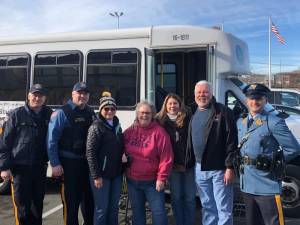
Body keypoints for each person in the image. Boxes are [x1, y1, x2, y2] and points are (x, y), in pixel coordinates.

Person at [237, 83, 300, 225]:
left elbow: (293, 148)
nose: (255, 102)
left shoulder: (274, 122)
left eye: (259, 98)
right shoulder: (241, 122)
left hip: (267, 184)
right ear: (246, 100)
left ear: (265, 100)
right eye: (251, 98)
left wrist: (274, 162)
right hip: (247, 184)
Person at [0, 84, 52, 225]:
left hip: (39, 167)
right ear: (28, 96)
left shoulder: (49, 114)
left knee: (37, 205)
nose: (37, 98)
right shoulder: (16, 114)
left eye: (40, 95)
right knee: (22, 206)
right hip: (20, 168)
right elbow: (5, 142)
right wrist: (4, 167)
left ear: (44, 98)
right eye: (34, 95)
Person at [189, 80, 237, 225]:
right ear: (194, 94)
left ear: (211, 93)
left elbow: (231, 141)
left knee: (223, 208)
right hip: (199, 168)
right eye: (199, 92)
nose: (202, 95)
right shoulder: (192, 111)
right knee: (207, 206)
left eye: (205, 92)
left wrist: (229, 167)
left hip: (219, 169)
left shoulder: (222, 111)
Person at [47, 82, 95, 225]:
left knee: (89, 202)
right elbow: (51, 140)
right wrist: (55, 164)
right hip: (69, 164)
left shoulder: (90, 113)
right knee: (71, 204)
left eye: (85, 93)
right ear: (73, 94)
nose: (82, 96)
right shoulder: (62, 113)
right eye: (79, 93)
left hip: (86, 164)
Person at [124, 100, 173, 225]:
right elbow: (119, 145)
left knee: (158, 212)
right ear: (137, 114)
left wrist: (161, 178)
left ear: (152, 115)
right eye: (141, 112)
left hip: (152, 182)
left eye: (147, 113)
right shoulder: (130, 131)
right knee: (137, 211)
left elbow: (166, 158)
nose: (144, 115)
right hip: (132, 180)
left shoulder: (159, 133)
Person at [86, 92, 125, 225]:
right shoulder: (95, 127)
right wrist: (96, 176)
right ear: (101, 109)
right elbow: (90, 152)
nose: (109, 111)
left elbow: (120, 146)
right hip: (101, 176)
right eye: (106, 108)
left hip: (116, 174)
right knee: (102, 209)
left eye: (112, 108)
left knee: (114, 208)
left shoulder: (117, 125)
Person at [156, 93, 196, 225]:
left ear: (180, 105)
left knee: (190, 198)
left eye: (175, 103)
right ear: (165, 106)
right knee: (176, 197)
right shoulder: (159, 121)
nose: (173, 106)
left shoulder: (188, 118)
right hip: (172, 166)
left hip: (188, 164)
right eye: (170, 104)